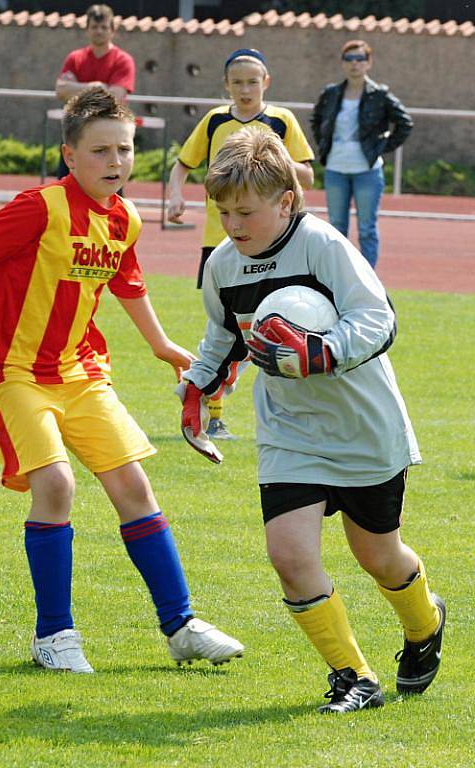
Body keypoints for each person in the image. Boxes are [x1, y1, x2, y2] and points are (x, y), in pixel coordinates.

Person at [0, 87, 243, 674]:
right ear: (69, 156)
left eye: (125, 150)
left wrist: (162, 346)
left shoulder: (125, 218)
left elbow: (128, 285)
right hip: (16, 375)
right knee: (56, 486)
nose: (115, 162)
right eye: (101, 150)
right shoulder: (39, 206)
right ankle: (53, 636)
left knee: (135, 489)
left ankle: (180, 625)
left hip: (83, 374)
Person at [179, 126, 445, 713]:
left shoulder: (323, 246)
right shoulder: (222, 266)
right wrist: (197, 388)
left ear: (286, 202)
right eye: (222, 212)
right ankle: (354, 676)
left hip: (362, 426)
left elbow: (378, 319)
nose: (232, 225)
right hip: (289, 430)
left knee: (379, 555)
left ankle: (425, 624)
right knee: (289, 553)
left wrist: (318, 353)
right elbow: (224, 338)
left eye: (245, 212)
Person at [167, 47, 315, 440]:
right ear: (226, 86)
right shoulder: (215, 120)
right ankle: (214, 413)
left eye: (252, 81)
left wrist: (275, 156)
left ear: (266, 82)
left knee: (276, 321)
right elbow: (183, 163)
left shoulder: (281, 121)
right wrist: (175, 195)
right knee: (223, 328)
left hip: (272, 241)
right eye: (237, 82)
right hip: (220, 241)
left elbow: (308, 177)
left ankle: (293, 408)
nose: (245, 89)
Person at [310, 39, 413, 269]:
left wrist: (382, 147)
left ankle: (368, 280)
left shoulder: (379, 94)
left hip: (367, 170)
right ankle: (338, 277)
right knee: (336, 227)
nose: (354, 64)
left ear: (368, 62)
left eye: (359, 59)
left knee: (367, 228)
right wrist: (325, 145)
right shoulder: (332, 93)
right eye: (349, 59)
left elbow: (405, 123)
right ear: (342, 63)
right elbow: (316, 121)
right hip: (336, 169)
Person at [54, 3, 135, 179]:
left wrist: (76, 88)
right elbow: (60, 90)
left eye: (104, 27)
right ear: (87, 30)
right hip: (77, 131)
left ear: (113, 30)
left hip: (109, 135)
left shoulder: (123, 60)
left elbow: (116, 96)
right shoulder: (75, 58)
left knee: (109, 187)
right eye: (94, 27)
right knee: (66, 183)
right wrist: (95, 86)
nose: (99, 31)